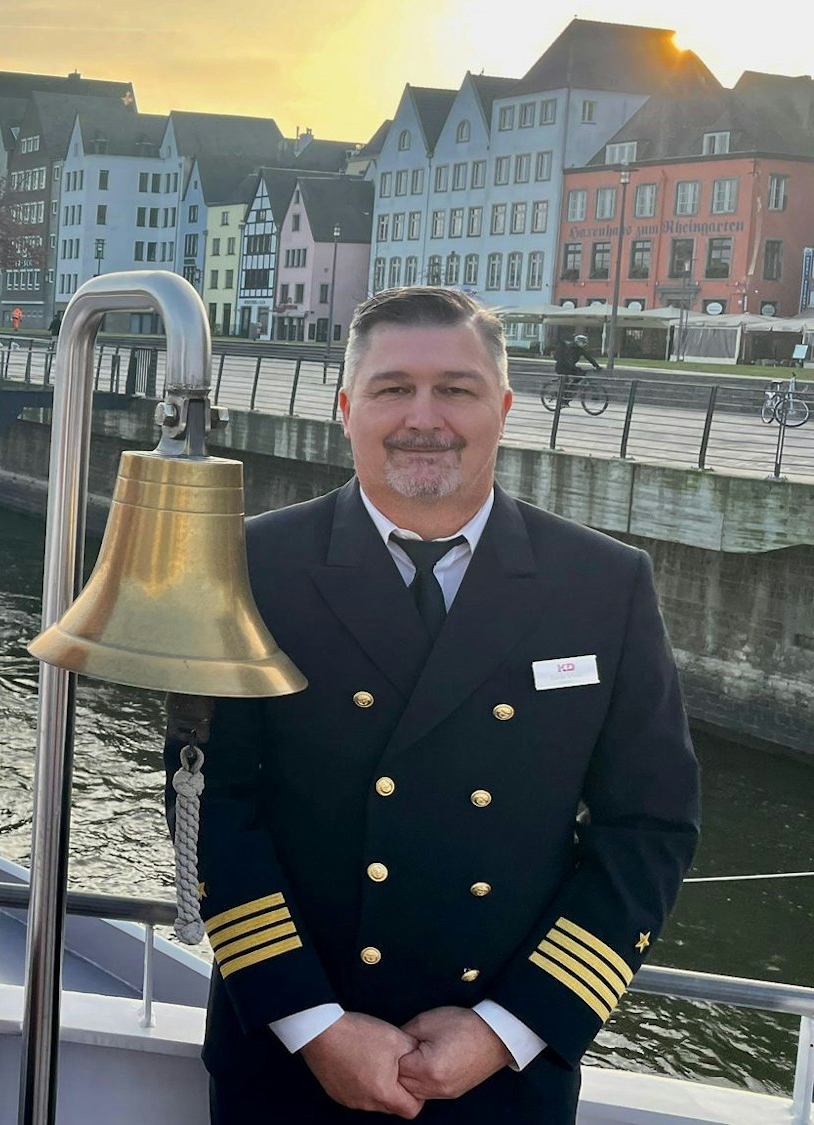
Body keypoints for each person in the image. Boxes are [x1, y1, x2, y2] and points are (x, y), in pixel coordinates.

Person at [171, 286, 699, 1123]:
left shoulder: (602, 584)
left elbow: (650, 827)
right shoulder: (247, 565)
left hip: (503, 1076)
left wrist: (508, 1027)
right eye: (393, 389)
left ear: (504, 408)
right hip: (288, 1061)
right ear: (347, 408)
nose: (425, 417)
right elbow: (206, 802)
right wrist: (313, 1024)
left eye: (456, 388)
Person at [550, 332, 602, 410]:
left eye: (585, 343)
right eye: (583, 342)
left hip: (569, 367)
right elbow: (568, 361)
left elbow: (588, 357)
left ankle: (567, 396)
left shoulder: (580, 349)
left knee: (578, 377)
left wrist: (596, 366)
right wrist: (575, 368)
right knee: (568, 380)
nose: (584, 344)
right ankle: (563, 399)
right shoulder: (570, 348)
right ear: (578, 342)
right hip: (562, 367)